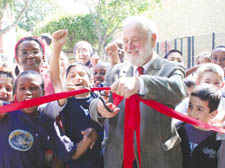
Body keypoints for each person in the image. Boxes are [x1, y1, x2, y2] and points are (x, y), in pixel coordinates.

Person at [89, 16, 186, 168]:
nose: (129, 46)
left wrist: (140, 83)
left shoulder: (171, 68)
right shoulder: (115, 71)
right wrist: (100, 108)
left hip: (158, 159)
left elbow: (178, 90)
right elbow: (96, 101)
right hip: (117, 159)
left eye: (135, 39)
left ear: (152, 40)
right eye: (125, 40)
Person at [0, 70, 97, 168]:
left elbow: (72, 153)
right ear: (15, 93)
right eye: (22, 88)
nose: (27, 92)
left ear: (43, 93)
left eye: (33, 88)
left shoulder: (46, 121)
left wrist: (89, 136)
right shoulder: (6, 113)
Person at [50, 29, 104, 168]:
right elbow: (55, 79)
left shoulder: (98, 99)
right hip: (76, 162)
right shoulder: (65, 101)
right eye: (72, 76)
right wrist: (57, 48)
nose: (77, 78)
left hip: (100, 161)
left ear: (91, 80)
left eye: (81, 74)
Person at [177, 84, 222, 168]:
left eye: (199, 109)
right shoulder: (178, 129)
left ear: (212, 114)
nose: (192, 113)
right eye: (190, 106)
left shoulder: (219, 139)